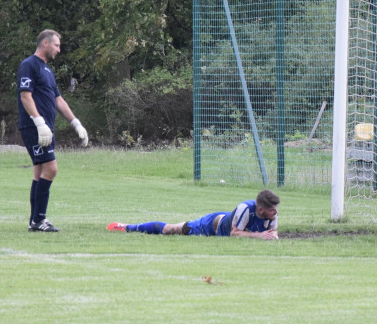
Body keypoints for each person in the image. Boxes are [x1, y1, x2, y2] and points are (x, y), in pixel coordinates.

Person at [17, 29, 88, 232]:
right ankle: (39, 220)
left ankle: (35, 221)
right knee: (51, 169)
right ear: (45, 44)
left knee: (40, 172)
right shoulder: (29, 65)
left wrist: (75, 123)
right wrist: (39, 123)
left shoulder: (47, 70)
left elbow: (58, 99)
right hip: (34, 128)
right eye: (56, 45)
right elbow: (25, 96)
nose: (59, 50)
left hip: (46, 129)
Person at [106, 189, 280, 240]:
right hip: (211, 225)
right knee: (171, 229)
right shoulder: (245, 208)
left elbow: (273, 234)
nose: (276, 213)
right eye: (272, 210)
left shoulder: (272, 213)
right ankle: (127, 227)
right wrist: (260, 236)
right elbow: (234, 233)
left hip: (229, 220)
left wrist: (272, 237)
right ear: (260, 210)